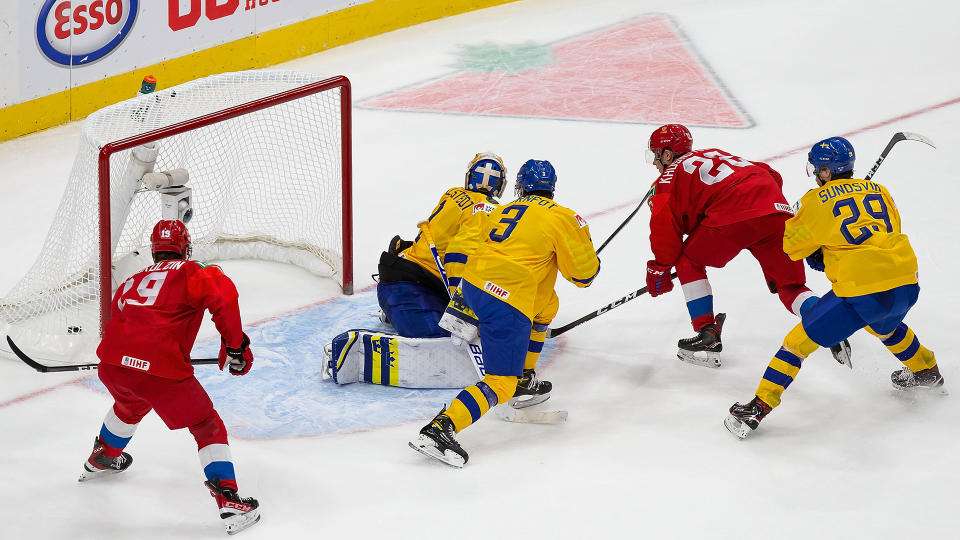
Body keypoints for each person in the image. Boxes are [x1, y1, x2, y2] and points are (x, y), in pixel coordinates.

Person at [724, 137, 943, 439]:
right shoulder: (880, 191)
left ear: (826, 171)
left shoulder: (814, 201)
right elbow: (887, 229)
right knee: (882, 324)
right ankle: (926, 370)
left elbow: (791, 248)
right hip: (906, 280)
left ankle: (757, 408)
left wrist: (818, 248)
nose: (815, 174)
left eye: (817, 169)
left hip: (861, 288)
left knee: (796, 344)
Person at [408, 159, 601, 467]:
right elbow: (583, 277)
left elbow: (467, 245)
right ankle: (441, 428)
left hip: (470, 288)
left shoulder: (499, 210)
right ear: (552, 189)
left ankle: (524, 376)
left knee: (548, 303)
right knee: (500, 382)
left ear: (520, 187)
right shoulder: (564, 217)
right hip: (505, 299)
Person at [80, 219, 261, 535]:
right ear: (186, 248)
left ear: (154, 250)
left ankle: (103, 456)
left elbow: (120, 321)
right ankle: (229, 500)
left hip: (112, 366)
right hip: (158, 373)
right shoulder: (194, 272)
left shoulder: (130, 281)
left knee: (130, 404)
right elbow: (224, 296)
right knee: (207, 425)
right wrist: (235, 345)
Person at [643, 123, 837, 368]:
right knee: (791, 286)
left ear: (668, 154)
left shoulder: (667, 180)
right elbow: (771, 173)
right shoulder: (714, 153)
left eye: (655, 155)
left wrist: (660, 268)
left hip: (733, 217)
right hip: (776, 212)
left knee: (687, 260)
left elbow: (665, 233)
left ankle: (706, 333)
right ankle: (823, 318)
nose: (653, 163)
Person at [376, 153, 505, 338]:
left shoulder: (453, 192)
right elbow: (459, 254)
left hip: (406, 277)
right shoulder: (487, 208)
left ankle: (394, 313)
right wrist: (461, 309)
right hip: (411, 287)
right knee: (442, 341)